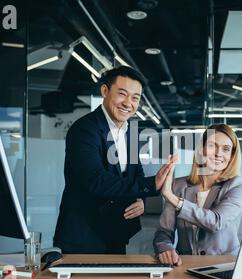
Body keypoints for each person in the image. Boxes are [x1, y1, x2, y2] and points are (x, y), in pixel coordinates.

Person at [54, 66, 175, 254]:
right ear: (104, 91)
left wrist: (142, 200)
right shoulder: (85, 130)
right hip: (82, 237)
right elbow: (96, 179)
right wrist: (150, 185)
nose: (128, 103)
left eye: (135, 98)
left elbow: (135, 175)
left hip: (116, 234)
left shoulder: (131, 133)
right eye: (122, 94)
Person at [153, 124, 242, 266]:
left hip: (225, 266)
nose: (218, 153)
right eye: (212, 146)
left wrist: (172, 198)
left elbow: (216, 222)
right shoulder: (179, 185)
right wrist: (165, 248)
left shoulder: (236, 186)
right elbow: (164, 232)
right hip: (185, 265)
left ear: (232, 156)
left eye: (226, 149)